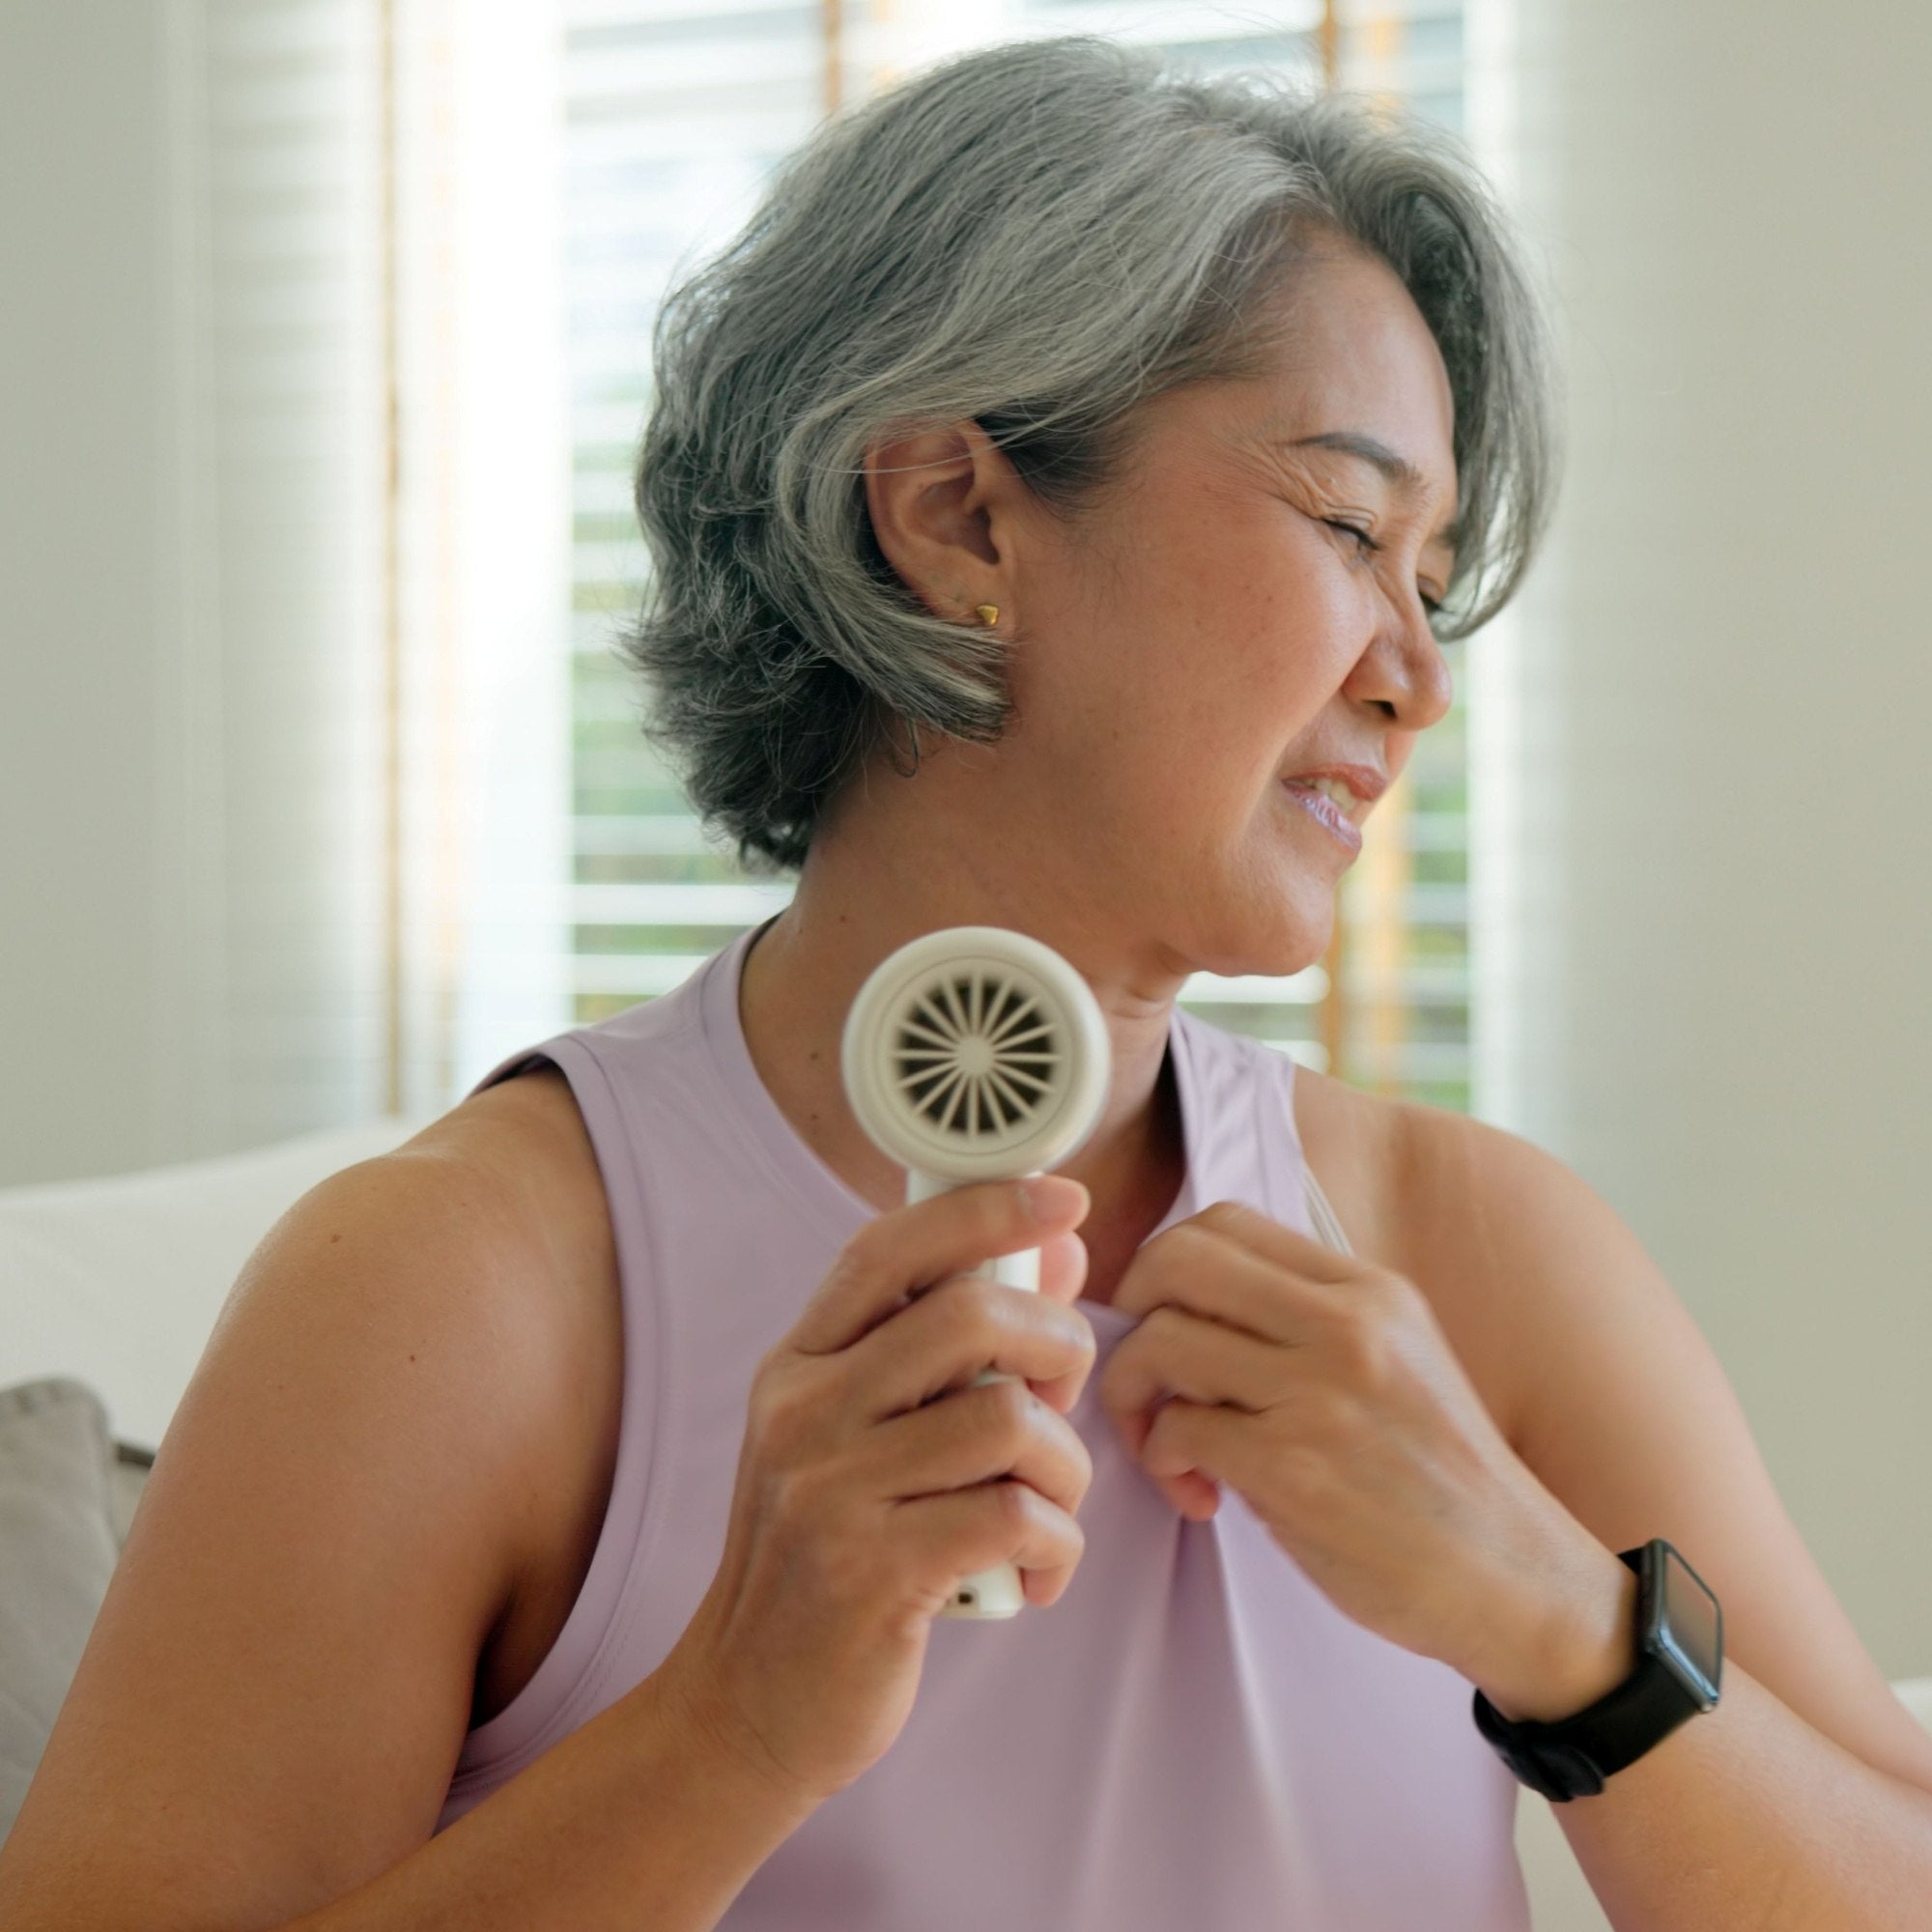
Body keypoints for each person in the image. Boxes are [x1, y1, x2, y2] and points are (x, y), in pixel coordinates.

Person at [10, 31, 1932, 1932]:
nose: (1415, 676)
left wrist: (1558, 1615)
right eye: (1349, 527)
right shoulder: (457, 1295)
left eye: (1431, 578)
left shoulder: (1476, 1257)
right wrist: (730, 1727)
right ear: (951, 515)